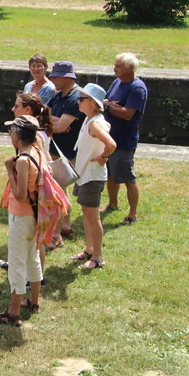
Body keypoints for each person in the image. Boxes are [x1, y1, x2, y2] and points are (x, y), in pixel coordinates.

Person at [0, 115, 45, 327]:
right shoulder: (37, 151)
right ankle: (34, 301)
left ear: (19, 135)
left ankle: (13, 312)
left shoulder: (22, 160)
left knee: (17, 263)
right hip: (35, 215)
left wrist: (9, 169)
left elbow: (21, 194)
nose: (9, 134)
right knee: (32, 257)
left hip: (21, 216)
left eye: (11, 131)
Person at [0, 93, 57, 274]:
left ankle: (30, 279)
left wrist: (12, 170)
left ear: (28, 110)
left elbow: (39, 168)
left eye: (17, 106)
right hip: (33, 197)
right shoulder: (33, 135)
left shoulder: (32, 139)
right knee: (33, 243)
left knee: (34, 245)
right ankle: (35, 278)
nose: (13, 109)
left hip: (30, 200)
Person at [71, 84, 116, 269]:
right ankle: (89, 249)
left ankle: (97, 257)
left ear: (93, 103)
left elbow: (111, 144)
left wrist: (103, 156)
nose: (78, 101)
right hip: (84, 175)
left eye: (81, 99)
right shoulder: (91, 119)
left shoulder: (95, 123)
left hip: (91, 176)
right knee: (86, 215)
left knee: (93, 217)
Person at [103, 53, 148, 226]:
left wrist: (108, 106)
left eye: (119, 66)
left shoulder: (137, 88)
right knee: (111, 174)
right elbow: (106, 100)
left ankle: (133, 214)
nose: (115, 68)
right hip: (109, 138)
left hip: (124, 140)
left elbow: (127, 114)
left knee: (128, 178)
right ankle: (112, 204)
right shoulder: (117, 82)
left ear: (130, 68)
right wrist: (110, 105)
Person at [46, 61, 84, 239]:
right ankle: (65, 226)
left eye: (56, 76)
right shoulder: (58, 95)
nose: (52, 78)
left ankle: (60, 229)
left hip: (72, 153)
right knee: (61, 188)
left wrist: (54, 123)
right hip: (57, 150)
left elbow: (61, 127)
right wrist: (56, 121)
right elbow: (42, 115)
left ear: (67, 78)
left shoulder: (76, 98)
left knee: (64, 190)